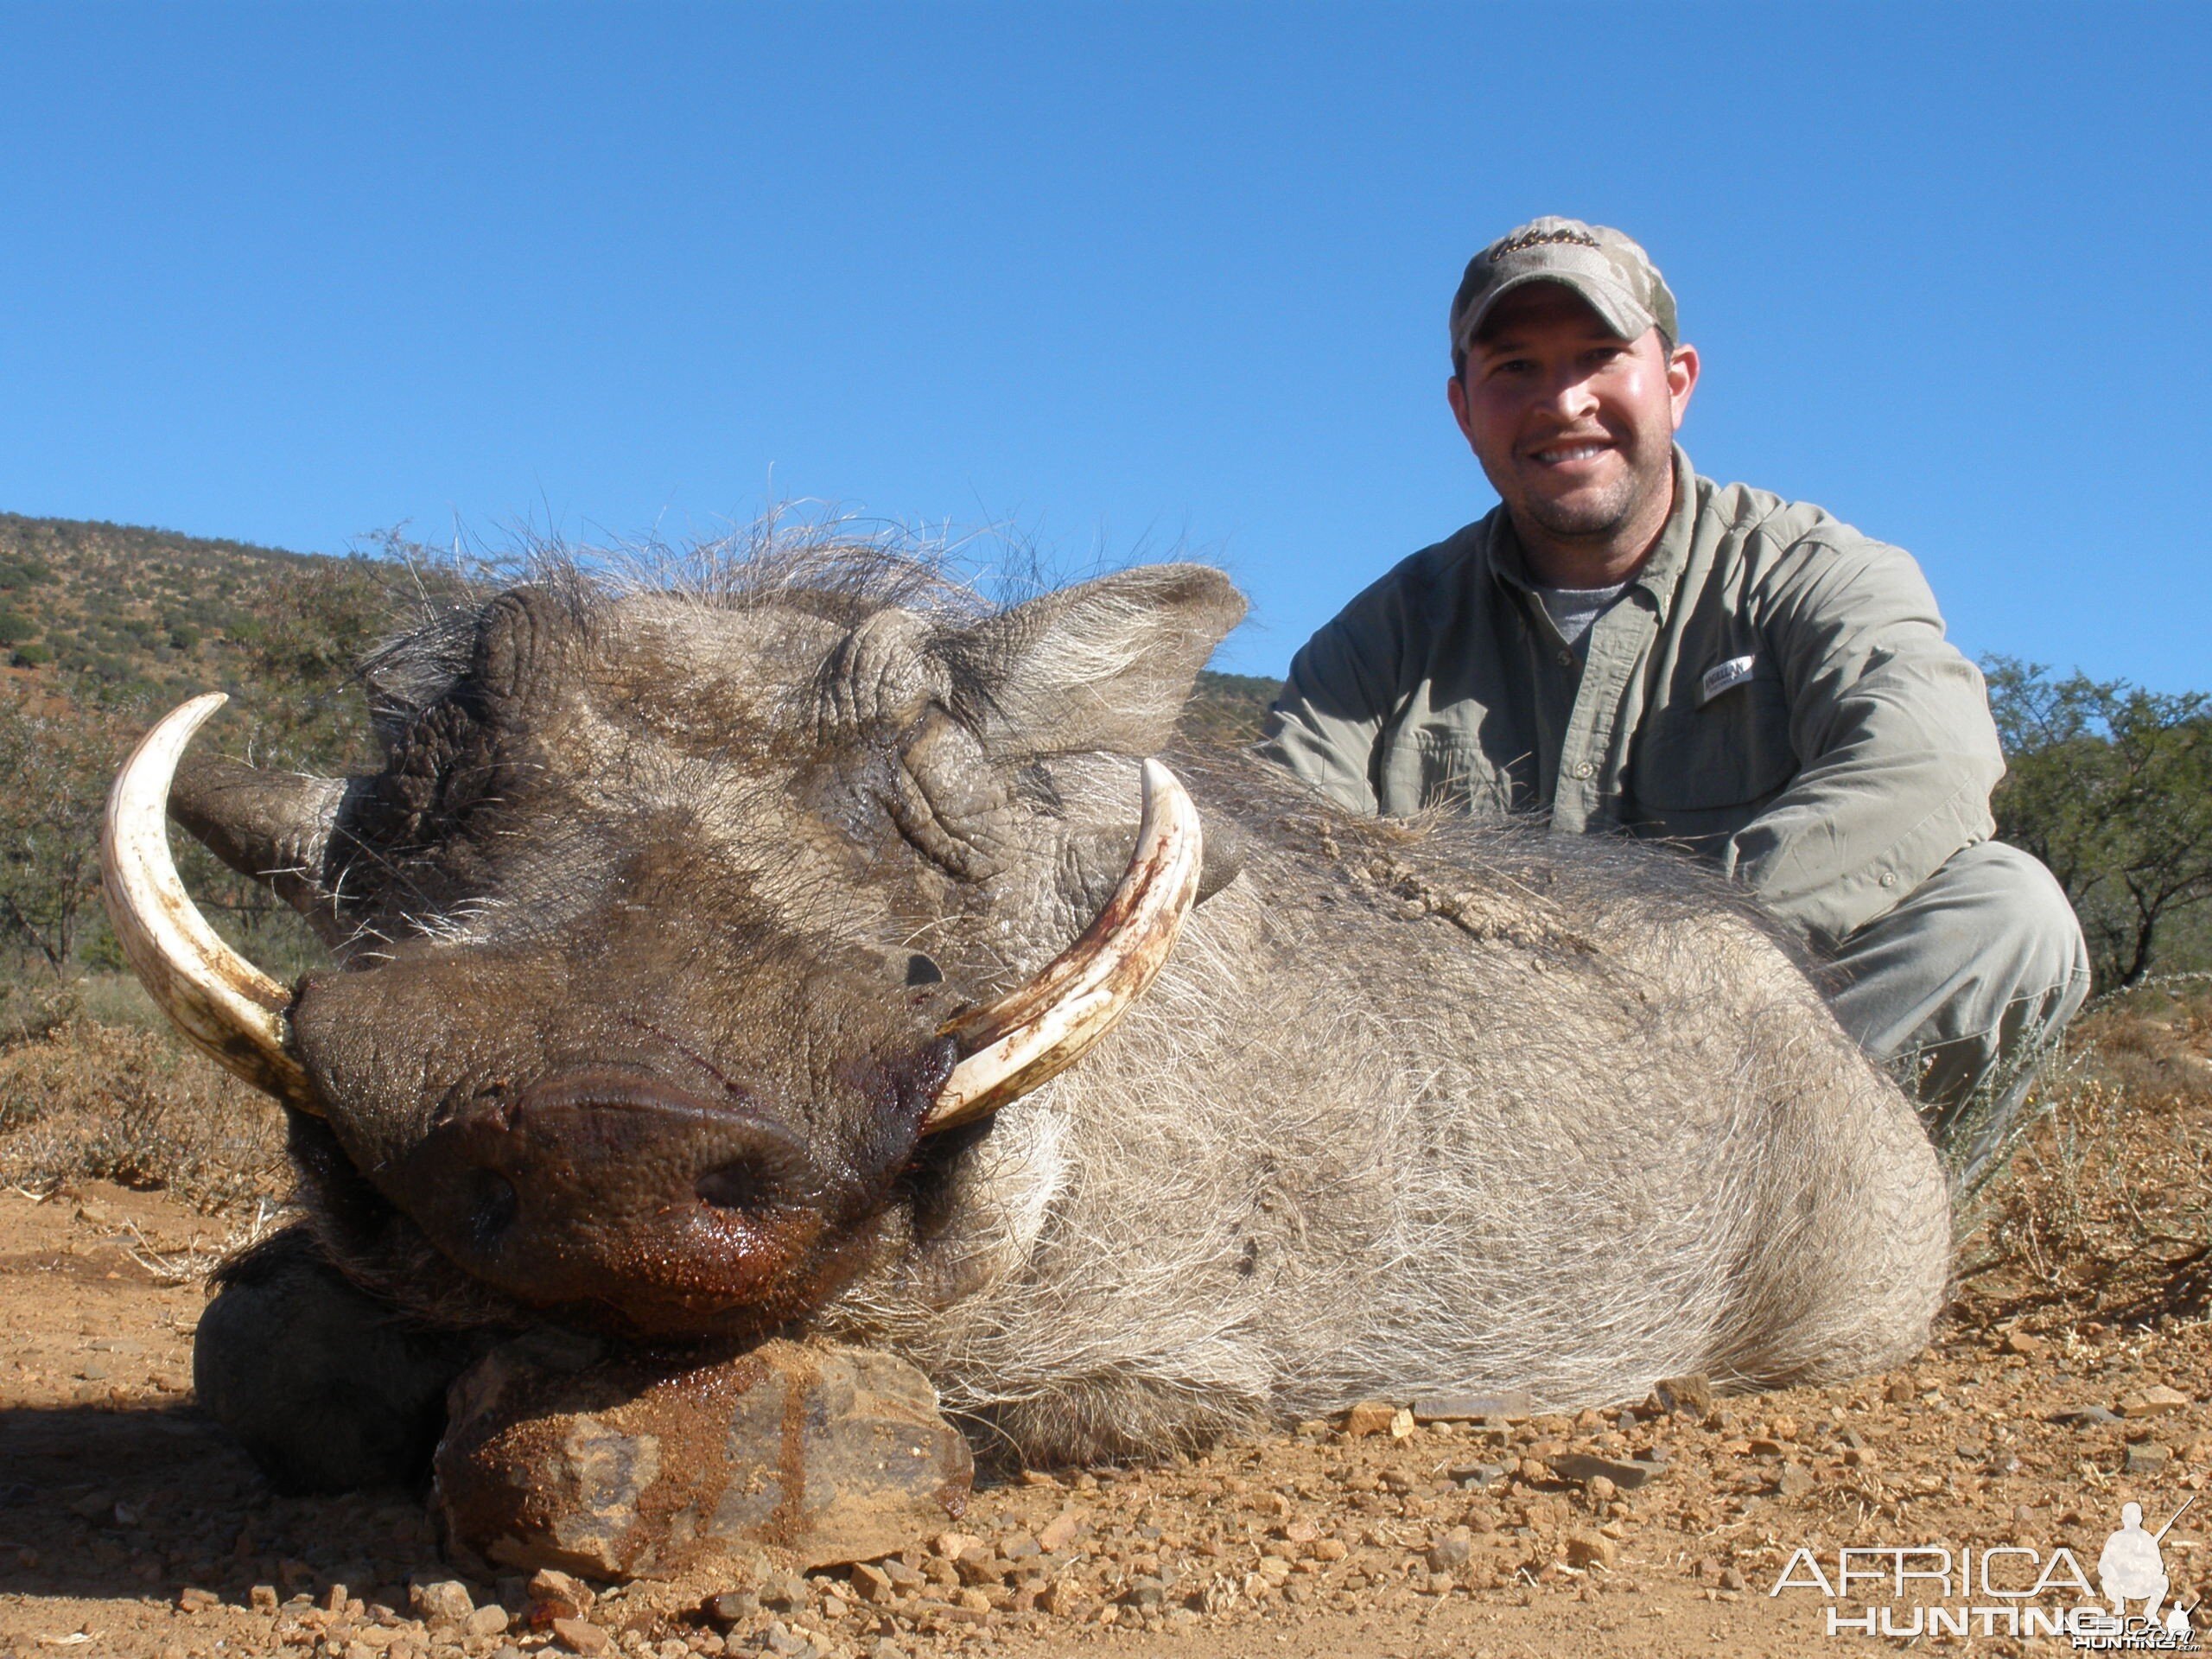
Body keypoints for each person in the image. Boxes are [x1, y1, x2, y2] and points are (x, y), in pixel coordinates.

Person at [1259, 215, 2089, 1183]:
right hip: (1478, 1100)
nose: (1562, 400)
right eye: (1514, 367)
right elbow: (1279, 871)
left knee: (2006, 914)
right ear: (1463, 409)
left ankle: (1803, 1287)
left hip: (1745, 1076)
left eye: (1600, 357)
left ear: (1678, 382)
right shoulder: (1375, 642)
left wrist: (1653, 967)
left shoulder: (1815, 572)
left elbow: (1929, 766)